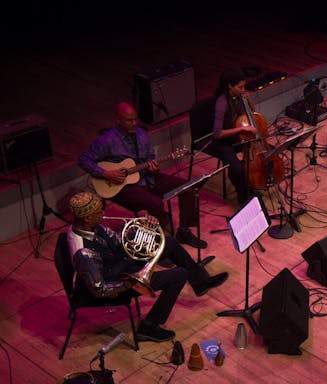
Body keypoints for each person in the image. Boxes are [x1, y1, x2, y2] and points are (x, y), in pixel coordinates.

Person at [66, 191, 229, 342]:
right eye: (99, 212)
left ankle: (199, 282)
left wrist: (143, 229)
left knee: (170, 242)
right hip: (118, 284)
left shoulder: (91, 226)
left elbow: (116, 241)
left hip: (121, 264)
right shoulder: (84, 252)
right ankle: (149, 327)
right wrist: (131, 282)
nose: (104, 214)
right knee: (178, 275)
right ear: (87, 218)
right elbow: (100, 289)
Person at [78, 102, 207, 249]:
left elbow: (150, 159)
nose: (134, 123)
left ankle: (183, 231)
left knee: (188, 187)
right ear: (118, 120)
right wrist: (106, 173)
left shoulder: (142, 134)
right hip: (122, 186)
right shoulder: (106, 140)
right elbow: (83, 159)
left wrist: (154, 169)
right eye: (129, 120)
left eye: (135, 119)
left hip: (146, 177)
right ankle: (156, 243)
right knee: (156, 204)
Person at [207, 68, 257, 205]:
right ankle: (243, 196)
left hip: (238, 137)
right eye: (240, 87)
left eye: (244, 86)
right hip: (223, 141)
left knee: (263, 154)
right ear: (230, 86)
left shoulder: (240, 97)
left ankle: (252, 186)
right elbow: (217, 133)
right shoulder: (222, 102)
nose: (243, 89)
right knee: (236, 168)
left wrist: (249, 101)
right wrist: (240, 129)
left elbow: (252, 115)